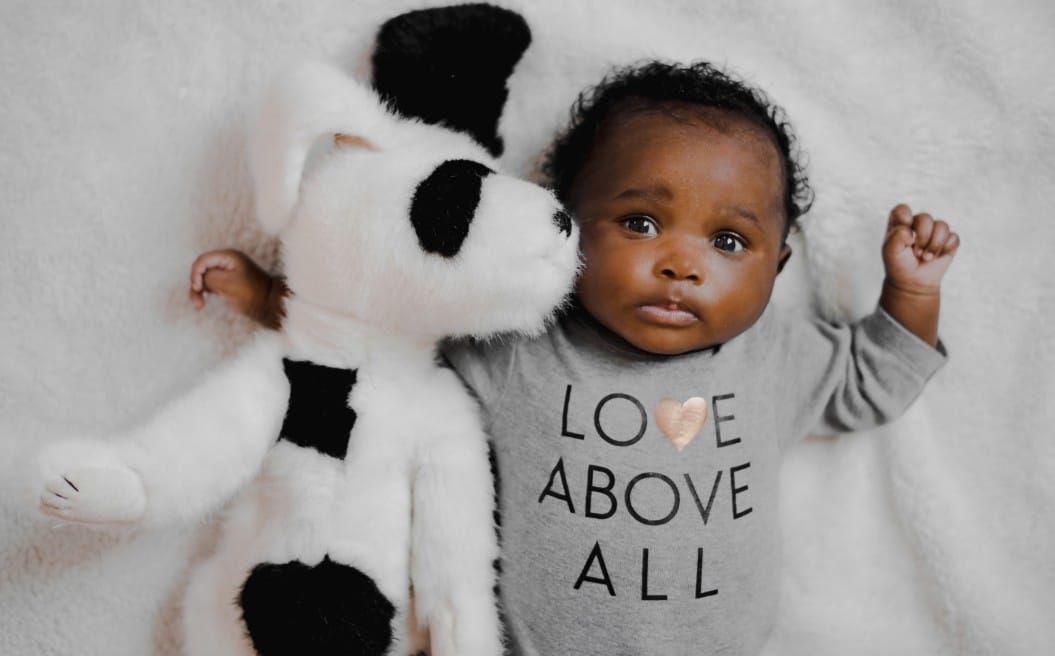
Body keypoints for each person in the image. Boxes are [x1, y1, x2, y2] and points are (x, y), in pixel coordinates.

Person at [188, 60, 958, 655]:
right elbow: (380, 343)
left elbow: (875, 382)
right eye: (641, 222)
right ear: (567, 226)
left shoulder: (775, 355)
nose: (681, 265)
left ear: (777, 268)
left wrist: (910, 292)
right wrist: (267, 297)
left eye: (727, 241)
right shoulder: (520, 342)